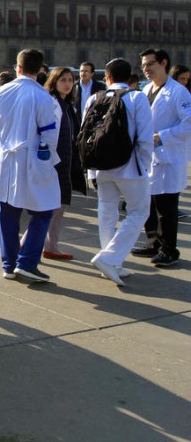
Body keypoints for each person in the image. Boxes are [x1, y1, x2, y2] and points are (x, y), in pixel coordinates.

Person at [0, 49, 61, 283]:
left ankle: (9, 263)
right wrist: (47, 161)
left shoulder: (1, 92)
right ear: (40, 69)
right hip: (32, 159)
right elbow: (49, 134)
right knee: (44, 211)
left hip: (4, 159)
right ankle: (27, 262)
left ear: (18, 67)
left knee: (8, 213)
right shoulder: (42, 96)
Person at [86, 59, 153, 285]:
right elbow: (145, 137)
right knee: (139, 212)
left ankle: (111, 261)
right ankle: (110, 258)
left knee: (107, 211)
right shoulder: (137, 97)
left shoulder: (95, 98)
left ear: (108, 78)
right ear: (130, 78)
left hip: (102, 165)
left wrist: (91, 170)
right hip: (129, 166)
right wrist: (144, 165)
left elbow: (87, 134)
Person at [131, 49, 191, 267]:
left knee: (166, 207)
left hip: (168, 157)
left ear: (164, 63)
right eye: (143, 65)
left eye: (150, 64)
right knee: (149, 203)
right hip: (148, 157)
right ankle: (153, 243)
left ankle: (169, 249)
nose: (146, 69)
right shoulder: (146, 89)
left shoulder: (179, 92)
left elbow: (188, 123)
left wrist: (162, 137)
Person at [29, 67, 87, 260]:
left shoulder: (66, 104)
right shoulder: (53, 103)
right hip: (55, 163)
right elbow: (49, 137)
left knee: (56, 207)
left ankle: (49, 244)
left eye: (71, 80)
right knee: (51, 208)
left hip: (64, 162)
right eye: (63, 80)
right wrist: (50, 163)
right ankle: (35, 246)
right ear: (54, 82)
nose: (68, 84)